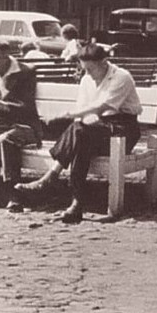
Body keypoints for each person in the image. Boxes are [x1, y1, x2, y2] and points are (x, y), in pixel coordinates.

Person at [15, 42, 141, 223]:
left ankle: (52, 178)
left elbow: (101, 107)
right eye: (84, 69)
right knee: (81, 137)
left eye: (90, 69)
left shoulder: (121, 77)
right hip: (95, 128)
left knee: (80, 132)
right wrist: (86, 118)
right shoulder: (86, 79)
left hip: (123, 130)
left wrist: (67, 114)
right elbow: (85, 111)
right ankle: (75, 204)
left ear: (104, 62)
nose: (87, 74)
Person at [0, 36, 42, 212]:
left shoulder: (26, 72)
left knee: (5, 140)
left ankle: (14, 195)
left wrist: (2, 106)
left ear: (4, 57)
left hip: (26, 126)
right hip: (0, 125)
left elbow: (26, 107)